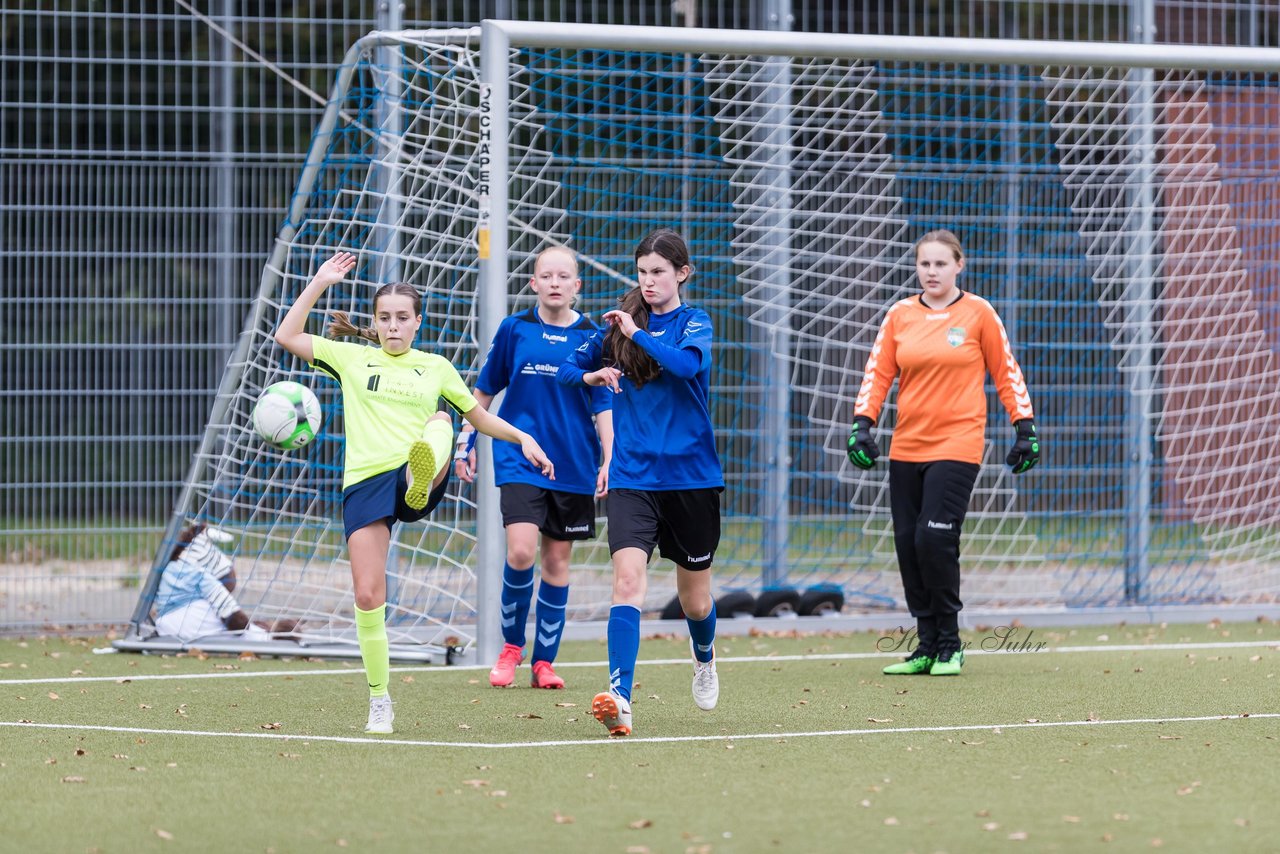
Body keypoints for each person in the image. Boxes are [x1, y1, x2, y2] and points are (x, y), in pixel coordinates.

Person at [273, 250, 555, 734]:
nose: (393, 327)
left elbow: (479, 416)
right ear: (375, 322)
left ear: (418, 321)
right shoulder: (352, 357)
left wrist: (522, 436)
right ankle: (380, 699)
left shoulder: (435, 367)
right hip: (365, 482)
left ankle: (419, 483)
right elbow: (287, 335)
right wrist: (321, 280)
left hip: (418, 470)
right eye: (385, 318)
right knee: (367, 594)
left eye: (402, 318)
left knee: (443, 418)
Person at [848, 229, 1039, 677]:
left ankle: (950, 644)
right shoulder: (899, 315)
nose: (931, 272)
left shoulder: (979, 314)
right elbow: (877, 374)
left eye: (940, 263)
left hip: (959, 442)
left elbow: (1006, 372)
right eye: (924, 264)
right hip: (907, 445)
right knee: (908, 544)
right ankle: (926, 645)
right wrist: (863, 425)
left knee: (934, 537)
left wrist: (1024, 428)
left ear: (959, 265)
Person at [557, 228, 724, 736]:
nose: (649, 281)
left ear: (681, 274)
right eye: (643, 272)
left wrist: (636, 334)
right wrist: (589, 378)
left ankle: (704, 657)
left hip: (692, 478)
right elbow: (565, 368)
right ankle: (620, 696)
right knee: (627, 580)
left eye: (658, 272)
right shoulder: (616, 328)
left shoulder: (694, 322)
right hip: (632, 477)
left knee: (695, 599)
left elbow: (684, 365)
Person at [454, 247, 614, 690]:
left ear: (577, 286)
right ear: (534, 284)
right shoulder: (515, 329)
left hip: (574, 464)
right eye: (548, 275)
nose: (556, 282)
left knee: (557, 562)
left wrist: (609, 457)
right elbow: (483, 393)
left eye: (565, 276)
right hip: (519, 458)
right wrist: (464, 441)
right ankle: (510, 648)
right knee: (521, 551)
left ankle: (544, 663)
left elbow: (603, 403)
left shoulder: (594, 337)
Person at [153, 523, 298, 642]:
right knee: (234, 629)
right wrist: (242, 626)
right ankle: (270, 637)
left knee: (220, 631)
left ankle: (261, 629)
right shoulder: (200, 574)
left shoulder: (171, 568)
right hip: (191, 623)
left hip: (164, 627)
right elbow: (228, 610)